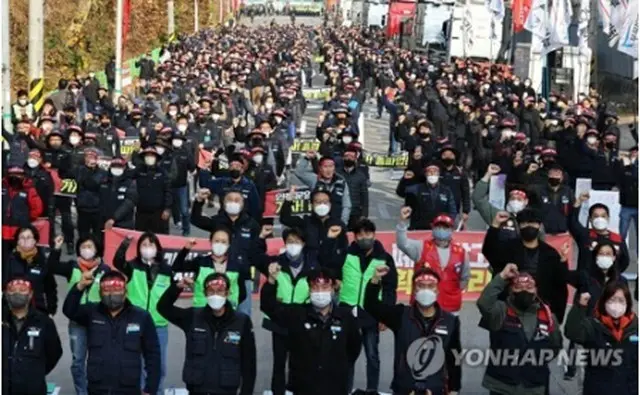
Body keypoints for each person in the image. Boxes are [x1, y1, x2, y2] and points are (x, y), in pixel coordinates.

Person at [261, 265, 362, 395]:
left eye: (325, 288)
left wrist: (339, 366)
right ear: (309, 290)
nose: (320, 292)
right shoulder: (297, 314)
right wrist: (271, 281)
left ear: (332, 289)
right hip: (303, 386)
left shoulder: (345, 317)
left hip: (335, 386)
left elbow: (354, 348)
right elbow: (269, 307)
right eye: (315, 288)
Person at [251, 226, 328, 395]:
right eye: (290, 242)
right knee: (279, 364)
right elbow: (255, 257)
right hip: (280, 323)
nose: (293, 245)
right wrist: (261, 238)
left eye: (297, 242)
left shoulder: (313, 267)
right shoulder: (275, 264)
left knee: (301, 364)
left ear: (304, 244)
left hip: (303, 323)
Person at [363, 266, 462, 395]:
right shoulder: (400, 315)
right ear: (414, 290)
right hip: (405, 388)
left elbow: (455, 357)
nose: (426, 290)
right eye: (421, 285)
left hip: (436, 389)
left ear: (437, 290)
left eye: (431, 286)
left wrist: (454, 389)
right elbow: (371, 305)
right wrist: (375, 280)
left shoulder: (450, 321)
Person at [63, 270, 161, 395]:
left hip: (129, 388)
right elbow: (69, 310)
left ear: (125, 292)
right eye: (107, 290)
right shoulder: (91, 312)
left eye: (116, 290)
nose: (112, 294)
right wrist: (80, 285)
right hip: (97, 388)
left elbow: (153, 354)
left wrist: (150, 389)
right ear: (100, 293)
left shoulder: (141, 316)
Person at [157, 273, 257, 395]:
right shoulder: (192, 317)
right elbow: (163, 307)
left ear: (227, 293)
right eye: (211, 291)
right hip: (197, 389)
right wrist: (177, 288)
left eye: (220, 291)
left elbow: (249, 363)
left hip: (227, 389)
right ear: (205, 294)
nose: (215, 295)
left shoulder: (242, 321)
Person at [477, 264, 563, 395]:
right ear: (511, 290)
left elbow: (555, 346)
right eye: (519, 287)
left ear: (536, 291)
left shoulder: (547, 315)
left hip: (535, 386)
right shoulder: (501, 310)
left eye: (529, 287)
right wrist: (502, 277)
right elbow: (484, 303)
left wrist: (535, 361)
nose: (524, 291)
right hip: (502, 386)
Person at [335, 218, 398, 394]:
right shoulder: (346, 254)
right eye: (360, 234)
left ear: (374, 235)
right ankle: (345, 390)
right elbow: (334, 273)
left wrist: (386, 315)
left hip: (372, 312)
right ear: (354, 237)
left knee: (372, 355)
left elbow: (390, 288)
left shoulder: (384, 258)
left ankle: (372, 390)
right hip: (348, 310)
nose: (364, 237)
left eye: (368, 233)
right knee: (347, 356)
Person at [482, 209, 575, 324]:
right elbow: (489, 251)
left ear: (540, 226)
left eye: (533, 223)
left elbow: (560, 287)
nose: (529, 226)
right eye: (524, 223)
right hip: (509, 309)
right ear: (519, 226)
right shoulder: (508, 248)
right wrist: (495, 224)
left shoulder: (550, 254)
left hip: (539, 310)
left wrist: (556, 317)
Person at [49, 235, 112, 395]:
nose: (86, 250)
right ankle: (81, 392)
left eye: (90, 246)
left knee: (99, 359)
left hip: (98, 321)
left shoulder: (105, 270)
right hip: (76, 321)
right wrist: (56, 248)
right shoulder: (73, 267)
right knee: (78, 361)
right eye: (83, 247)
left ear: (97, 249)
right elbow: (52, 266)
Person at [113, 232, 172, 395]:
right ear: (139, 249)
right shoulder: (132, 266)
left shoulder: (166, 269)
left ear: (157, 248)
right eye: (144, 245)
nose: (147, 249)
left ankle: (156, 391)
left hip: (159, 323)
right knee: (135, 364)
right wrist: (125, 243)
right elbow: (117, 261)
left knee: (159, 366)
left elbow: (171, 294)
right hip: (135, 323)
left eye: (151, 245)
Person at [190, 188, 260, 316]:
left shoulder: (252, 224)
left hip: (242, 277)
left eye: (237, 200)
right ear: (223, 202)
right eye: (230, 199)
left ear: (243, 203)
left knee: (242, 316)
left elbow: (258, 250)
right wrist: (199, 201)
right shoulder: (217, 221)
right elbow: (196, 219)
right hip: (218, 277)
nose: (233, 202)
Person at [565, 282, 638, 395]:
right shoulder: (593, 325)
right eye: (612, 300)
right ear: (604, 302)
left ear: (627, 303)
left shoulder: (635, 327)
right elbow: (572, 332)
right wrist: (580, 307)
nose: (616, 305)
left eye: (621, 300)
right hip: (598, 389)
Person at [397, 209, 471, 314]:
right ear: (433, 228)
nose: (441, 230)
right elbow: (402, 243)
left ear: (451, 229)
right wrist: (402, 222)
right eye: (438, 226)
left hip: (450, 306)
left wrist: (450, 290)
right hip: (423, 305)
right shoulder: (421, 247)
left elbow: (465, 278)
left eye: (445, 227)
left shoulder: (461, 252)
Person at [2, 277, 63, 395]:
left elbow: (54, 353)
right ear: (5, 294)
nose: (17, 293)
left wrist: (35, 372)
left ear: (30, 294)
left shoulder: (44, 322)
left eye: (22, 290)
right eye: (13, 290)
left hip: (33, 388)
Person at [172, 227, 248, 310]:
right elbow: (177, 267)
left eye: (223, 242)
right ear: (211, 242)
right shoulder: (200, 262)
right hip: (201, 311)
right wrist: (186, 249)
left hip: (226, 315)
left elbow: (242, 293)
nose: (220, 244)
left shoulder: (237, 266)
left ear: (229, 244)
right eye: (216, 241)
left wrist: (230, 305)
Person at [3, 226, 58, 316]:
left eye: (28, 237)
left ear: (35, 240)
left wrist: (51, 309)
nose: (25, 240)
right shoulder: (9, 260)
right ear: (17, 241)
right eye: (22, 237)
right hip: (12, 311)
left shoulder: (42, 261)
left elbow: (50, 288)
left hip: (38, 309)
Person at [570, 193, 630, 273]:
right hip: (587, 281)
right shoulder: (584, 235)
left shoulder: (617, 239)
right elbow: (572, 222)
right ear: (590, 219)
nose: (600, 219)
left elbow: (625, 261)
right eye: (596, 216)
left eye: (603, 216)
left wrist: (614, 275)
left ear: (608, 218)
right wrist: (578, 202)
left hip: (609, 282)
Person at [396, 163, 457, 230]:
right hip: (419, 228)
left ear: (439, 174)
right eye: (429, 171)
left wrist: (449, 223)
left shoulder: (446, 190)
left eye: (435, 171)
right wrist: (404, 179)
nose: (432, 173)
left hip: (440, 228)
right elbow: (401, 192)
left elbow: (452, 210)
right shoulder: (417, 188)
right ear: (425, 174)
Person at [2, 167, 43, 252]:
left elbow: (37, 209)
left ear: (23, 176)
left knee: (19, 257)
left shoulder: (29, 190)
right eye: (12, 174)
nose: (15, 177)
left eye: (18, 174)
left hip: (20, 231)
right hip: (2, 230)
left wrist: (26, 218)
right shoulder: (2, 187)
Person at [133, 148, 172, 234]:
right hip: (141, 212)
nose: (149, 158)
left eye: (152, 156)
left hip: (159, 213)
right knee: (140, 237)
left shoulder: (162, 172)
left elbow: (168, 191)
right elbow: (125, 176)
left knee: (160, 238)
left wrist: (167, 208)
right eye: (147, 156)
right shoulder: (138, 171)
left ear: (156, 158)